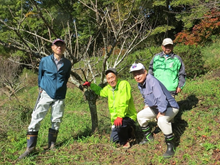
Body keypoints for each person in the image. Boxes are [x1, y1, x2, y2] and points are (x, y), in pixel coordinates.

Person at [19, 39, 72, 159]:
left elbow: (66, 76)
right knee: (36, 117)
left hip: (60, 94)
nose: (59, 47)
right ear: (52, 47)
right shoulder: (45, 60)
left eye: (61, 45)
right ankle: (30, 148)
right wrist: (41, 87)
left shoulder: (67, 63)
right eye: (56, 45)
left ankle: (51, 144)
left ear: (64, 47)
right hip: (46, 93)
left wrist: (61, 87)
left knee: (57, 119)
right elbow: (40, 75)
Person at [130, 62, 179, 158]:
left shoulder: (152, 81)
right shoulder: (140, 84)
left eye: (139, 73)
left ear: (145, 72)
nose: (137, 76)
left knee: (161, 120)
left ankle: (171, 145)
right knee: (140, 115)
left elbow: (161, 98)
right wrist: (147, 104)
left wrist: (162, 111)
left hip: (170, 107)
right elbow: (146, 97)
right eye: (135, 75)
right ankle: (148, 137)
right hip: (157, 107)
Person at [83, 68, 137, 149]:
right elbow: (100, 92)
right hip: (117, 119)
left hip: (128, 116)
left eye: (112, 77)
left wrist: (120, 116)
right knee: (113, 140)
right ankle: (129, 132)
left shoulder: (123, 84)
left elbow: (124, 102)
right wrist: (91, 85)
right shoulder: (109, 88)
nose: (111, 80)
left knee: (120, 125)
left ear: (117, 76)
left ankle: (125, 142)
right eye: (108, 78)